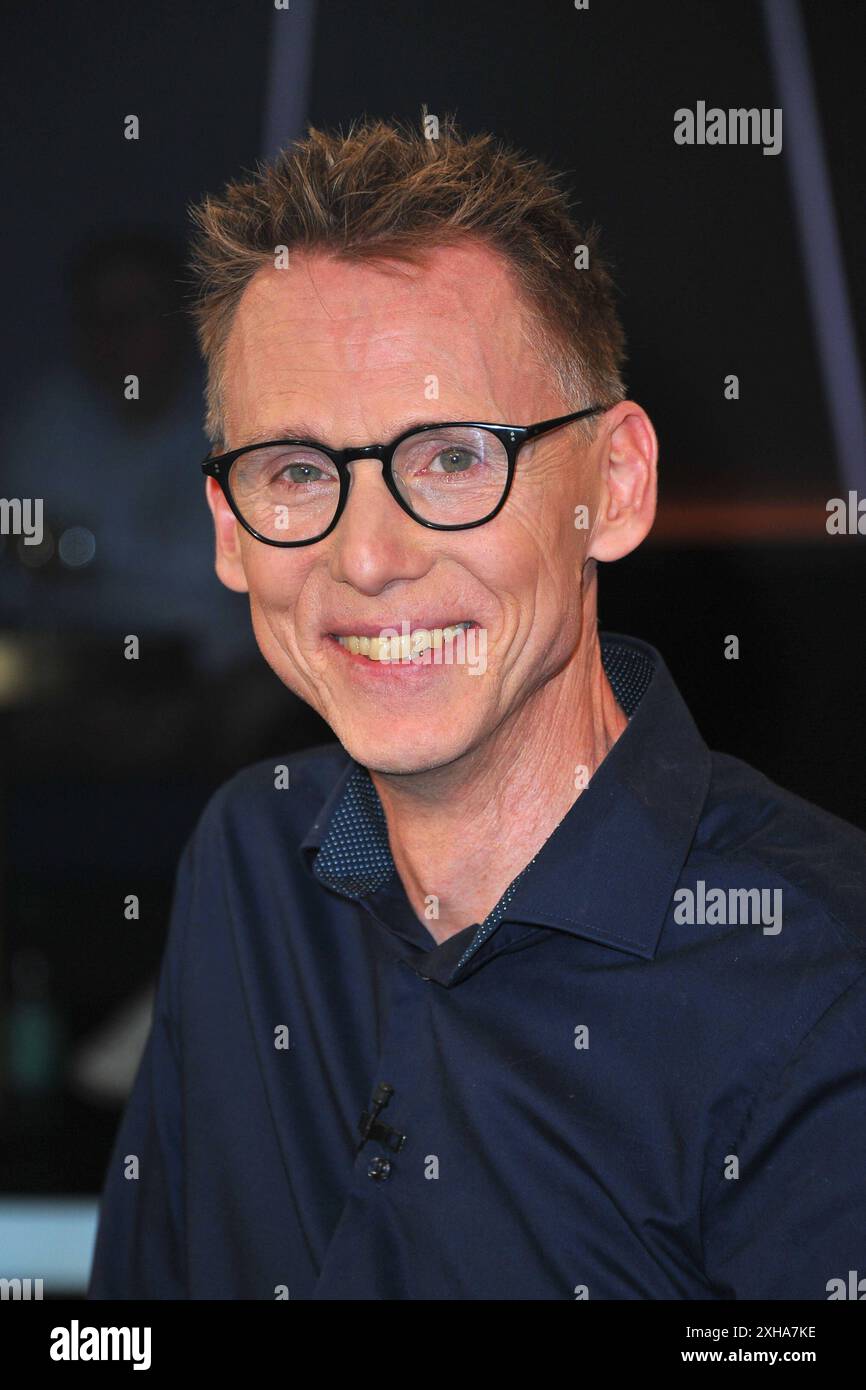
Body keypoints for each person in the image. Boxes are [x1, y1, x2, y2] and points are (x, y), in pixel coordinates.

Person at [88, 114, 866, 1300]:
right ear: (229, 533)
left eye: (451, 457)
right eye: (297, 472)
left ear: (613, 485)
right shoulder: (250, 861)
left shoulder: (822, 981)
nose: (369, 557)